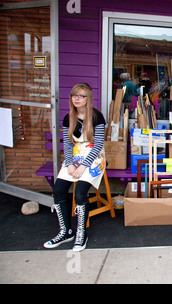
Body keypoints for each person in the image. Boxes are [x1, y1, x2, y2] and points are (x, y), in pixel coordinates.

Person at [43, 83, 106, 252]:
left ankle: (81, 233)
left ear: (88, 99)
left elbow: (98, 143)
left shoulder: (96, 117)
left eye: (81, 96)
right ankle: (66, 231)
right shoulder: (68, 118)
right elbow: (68, 144)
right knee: (58, 190)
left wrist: (84, 166)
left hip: (94, 156)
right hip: (75, 156)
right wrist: (70, 164)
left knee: (79, 193)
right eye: (74, 95)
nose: (77, 99)